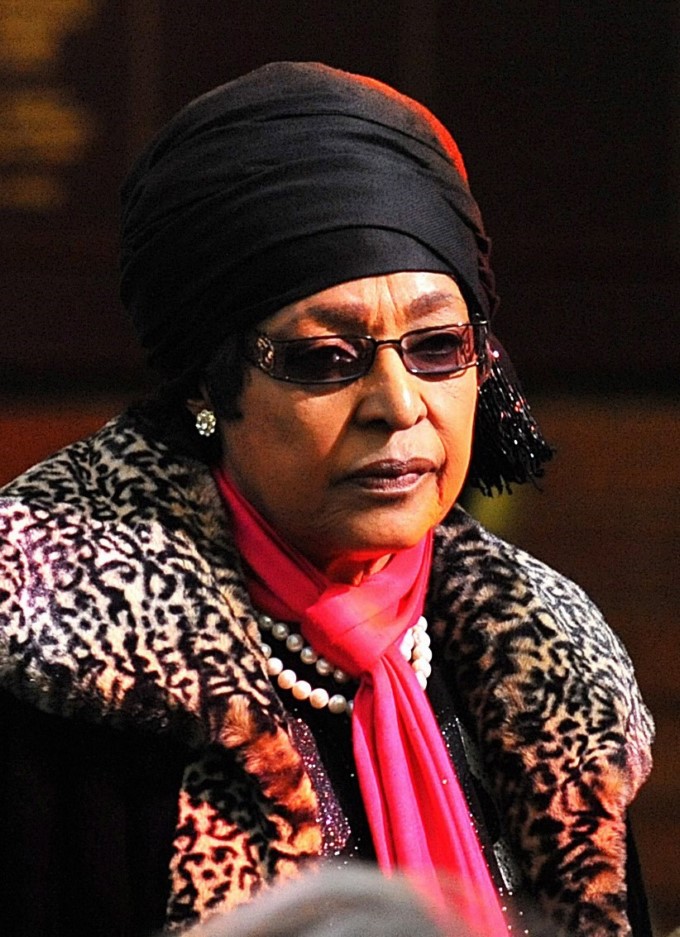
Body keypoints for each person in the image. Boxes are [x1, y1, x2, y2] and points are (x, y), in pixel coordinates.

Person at [0, 62, 653, 937]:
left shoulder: (552, 670)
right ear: (208, 384)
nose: (399, 403)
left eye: (438, 345)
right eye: (324, 358)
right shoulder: (59, 662)